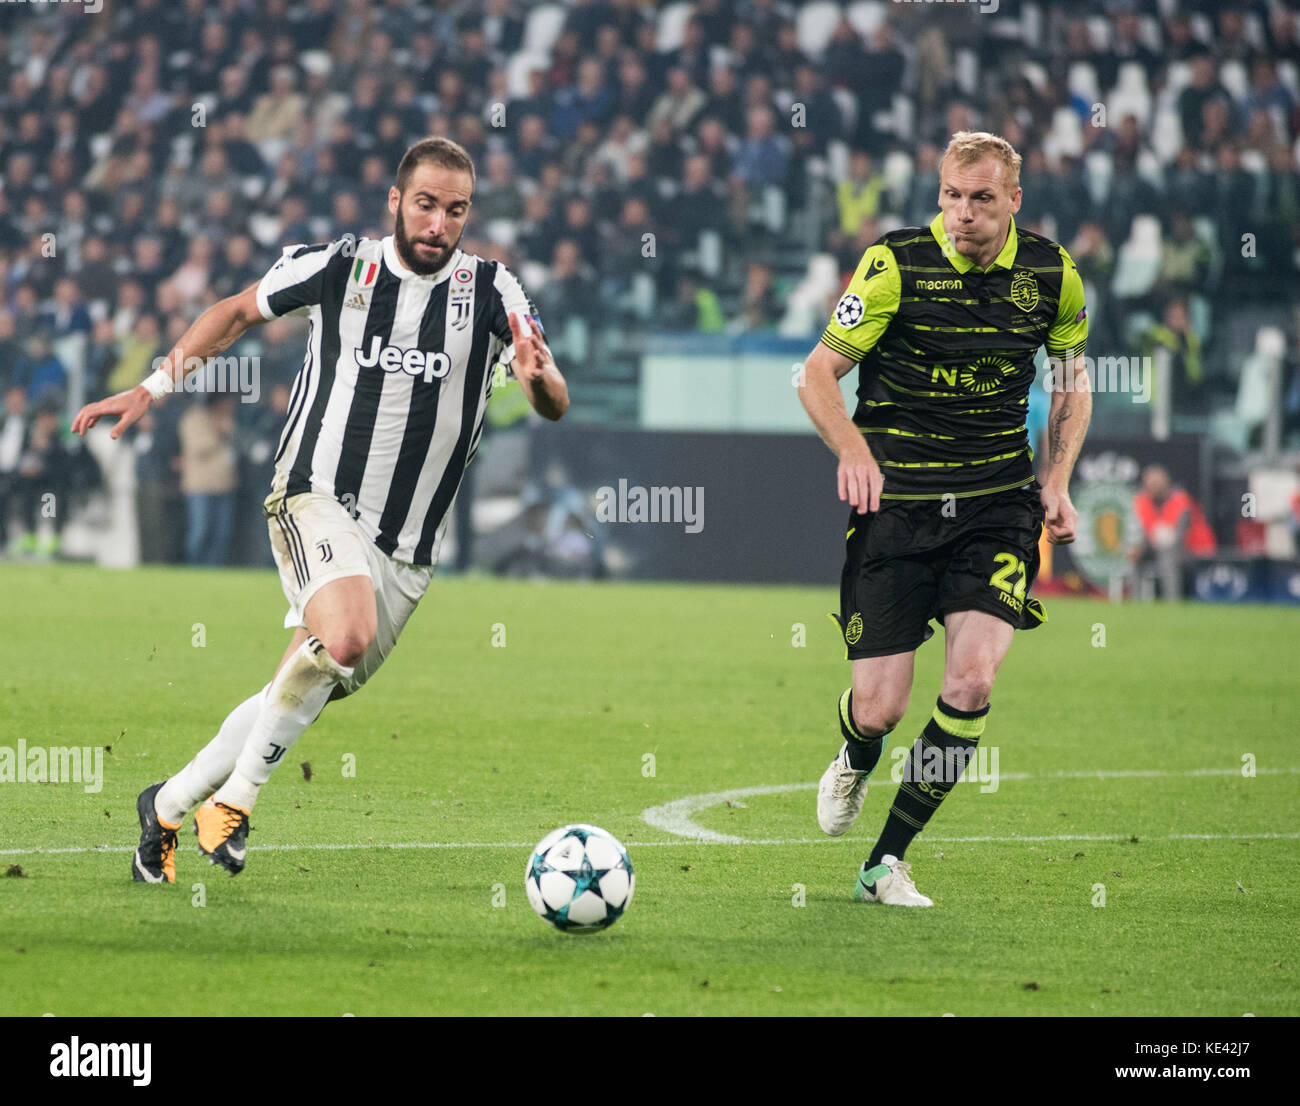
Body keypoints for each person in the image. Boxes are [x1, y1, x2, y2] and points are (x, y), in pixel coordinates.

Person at [72, 137, 569, 883]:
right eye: (426, 205)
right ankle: (234, 805)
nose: (439, 224)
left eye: (456, 210)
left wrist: (537, 380)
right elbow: (237, 312)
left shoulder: (495, 291)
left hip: (405, 548)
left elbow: (551, 396)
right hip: (313, 494)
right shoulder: (342, 265)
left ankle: (166, 807)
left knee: (301, 688)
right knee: (345, 634)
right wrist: (155, 386)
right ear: (396, 202)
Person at [798, 131, 1092, 907]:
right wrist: (853, 448)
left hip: (997, 506)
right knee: (882, 707)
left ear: (1014, 200)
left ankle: (883, 862)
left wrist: (1057, 481)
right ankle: (858, 751)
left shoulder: (1052, 275)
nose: (964, 214)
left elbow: (1070, 384)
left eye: (983, 199)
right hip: (898, 509)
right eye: (953, 197)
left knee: (971, 681)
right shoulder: (894, 266)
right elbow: (818, 373)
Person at [1129, 464, 1217, 600]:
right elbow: (1146, 530)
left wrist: (1158, 542)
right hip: (1155, 546)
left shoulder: (1180, 500)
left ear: (1166, 482)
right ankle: (1136, 600)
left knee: (1167, 557)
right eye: (1149, 483)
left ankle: (1172, 601)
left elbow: (1179, 536)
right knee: (1134, 556)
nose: (1152, 487)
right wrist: (1138, 549)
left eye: (1156, 483)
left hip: (1189, 549)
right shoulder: (1142, 500)